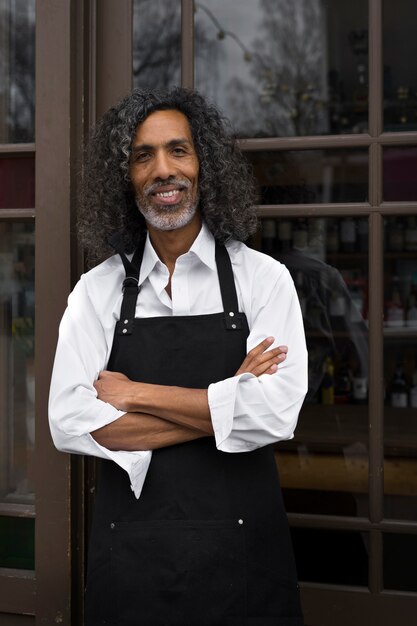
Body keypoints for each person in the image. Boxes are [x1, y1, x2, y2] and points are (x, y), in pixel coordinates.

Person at [49, 87, 308, 626]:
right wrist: (230, 399)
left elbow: (277, 413)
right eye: (143, 156)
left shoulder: (264, 280)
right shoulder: (95, 292)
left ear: (204, 165)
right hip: (132, 565)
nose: (162, 170)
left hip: (245, 568)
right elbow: (68, 421)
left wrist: (135, 395)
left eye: (178, 151)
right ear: (126, 177)